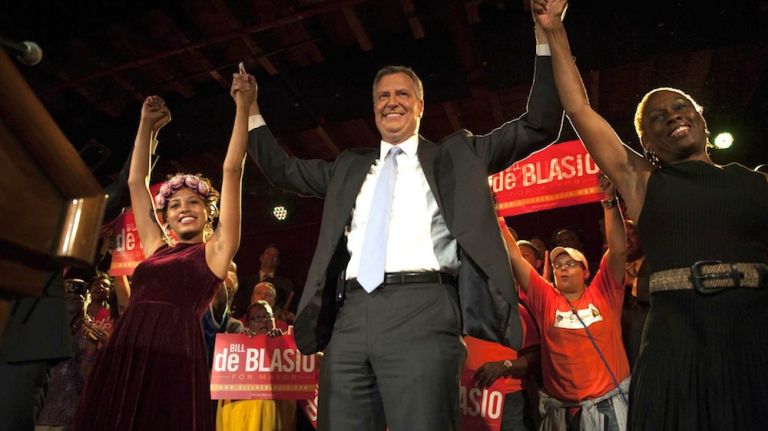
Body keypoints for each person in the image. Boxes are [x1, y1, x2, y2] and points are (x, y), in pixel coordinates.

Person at [245, 13, 564, 431]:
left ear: (420, 105)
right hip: (351, 316)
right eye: (382, 96)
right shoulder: (348, 167)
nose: (391, 101)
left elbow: (538, 123)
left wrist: (546, 37)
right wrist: (249, 108)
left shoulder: (457, 155)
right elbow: (282, 169)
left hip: (425, 309)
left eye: (402, 94)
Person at [533, 0, 768, 429]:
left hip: (754, 336)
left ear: (701, 119)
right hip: (677, 342)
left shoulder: (757, 183)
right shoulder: (641, 182)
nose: (672, 116)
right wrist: (554, 31)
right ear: (646, 145)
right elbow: (580, 109)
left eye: (681, 107)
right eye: (656, 117)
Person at [71, 68, 254, 430]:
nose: (184, 207)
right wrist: (146, 127)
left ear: (208, 214)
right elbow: (136, 182)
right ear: (166, 218)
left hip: (175, 351)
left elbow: (232, 169)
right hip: (128, 345)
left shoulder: (216, 252)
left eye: (193, 202)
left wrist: (243, 106)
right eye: (174, 204)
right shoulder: (156, 248)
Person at [509, 175, 629, 431]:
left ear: (586, 271)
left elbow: (618, 250)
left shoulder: (604, 292)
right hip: (563, 412)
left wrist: (609, 201)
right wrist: (494, 213)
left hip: (607, 407)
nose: (562, 269)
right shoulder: (546, 299)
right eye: (558, 265)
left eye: (571, 264)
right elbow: (514, 257)